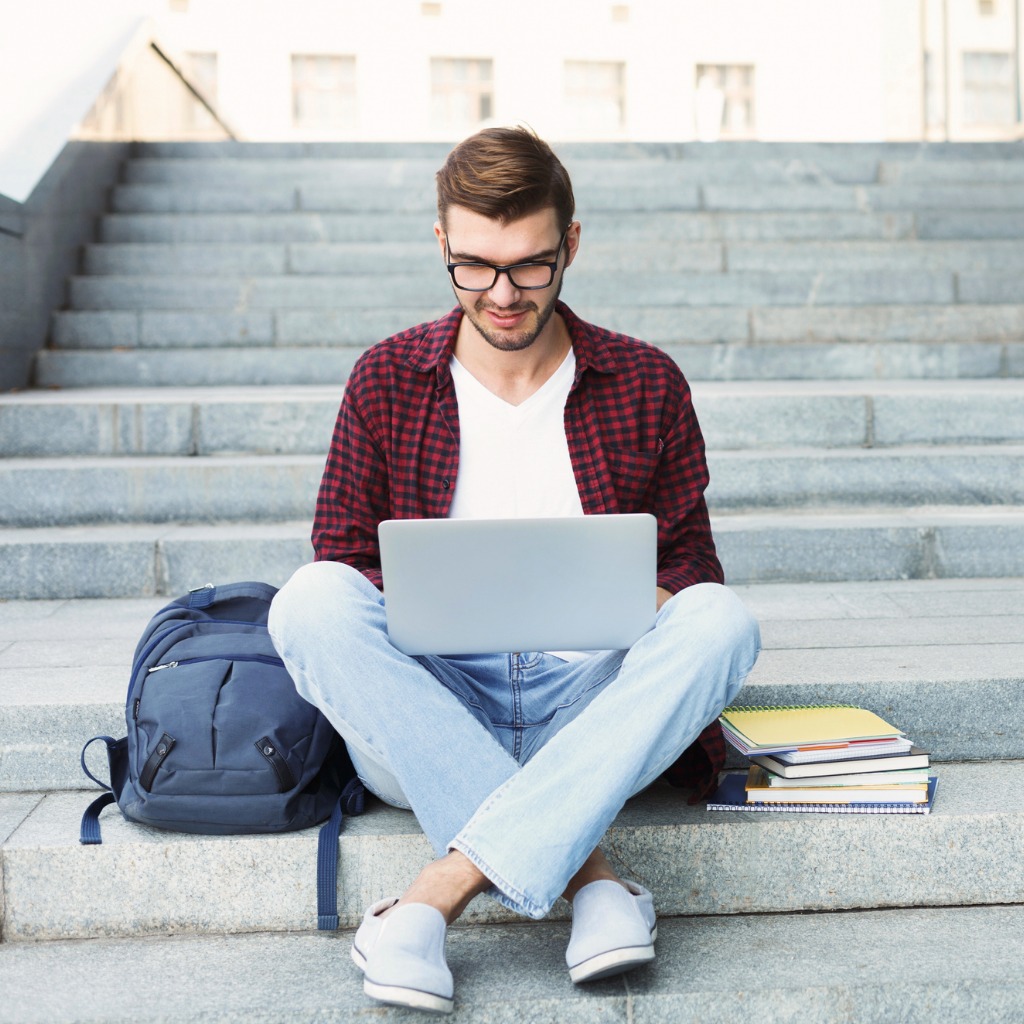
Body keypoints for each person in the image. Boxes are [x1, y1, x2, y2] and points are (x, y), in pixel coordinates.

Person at [268, 126, 761, 1014]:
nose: (501, 295)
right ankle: (594, 881)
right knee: (309, 602)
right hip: (432, 705)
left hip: (593, 704)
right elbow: (341, 557)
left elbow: (692, 565)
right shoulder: (385, 378)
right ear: (442, 245)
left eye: (531, 266)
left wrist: (628, 599)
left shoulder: (647, 381)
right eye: (474, 266)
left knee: (724, 620)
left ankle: (431, 898)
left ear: (571, 243)